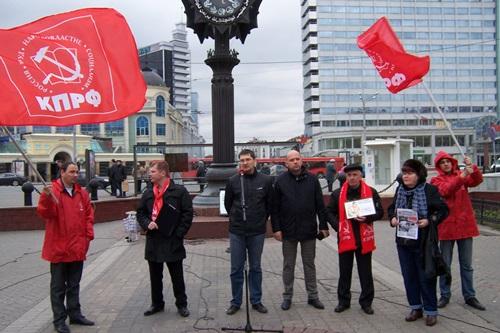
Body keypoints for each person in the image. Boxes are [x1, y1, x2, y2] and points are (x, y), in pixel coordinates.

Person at [388, 159, 449, 327]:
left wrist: (429, 220)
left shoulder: (429, 190)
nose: (406, 176)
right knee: (409, 276)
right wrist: (393, 218)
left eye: (410, 173)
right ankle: (416, 307)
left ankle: (430, 310)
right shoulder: (400, 190)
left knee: (426, 276)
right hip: (404, 241)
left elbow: (443, 210)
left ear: (418, 174)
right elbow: (392, 209)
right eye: (404, 173)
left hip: (424, 241)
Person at [37, 161, 95, 333]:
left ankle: (75, 314)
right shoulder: (53, 191)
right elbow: (45, 213)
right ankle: (59, 320)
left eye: (77, 171)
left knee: (74, 284)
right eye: (72, 172)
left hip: (77, 247)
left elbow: (88, 216)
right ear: (62, 172)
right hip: (59, 248)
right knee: (58, 287)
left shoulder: (81, 193)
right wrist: (46, 198)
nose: (76, 175)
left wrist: (87, 238)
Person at [271, 150, 330, 311]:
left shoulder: (312, 180)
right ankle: (287, 297)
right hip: (288, 231)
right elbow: (274, 208)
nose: (295, 162)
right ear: (286, 164)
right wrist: (276, 229)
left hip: (308, 230)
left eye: (298, 159)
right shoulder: (280, 181)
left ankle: (313, 296)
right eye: (292, 160)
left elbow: (320, 205)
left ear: (302, 161)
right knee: (288, 265)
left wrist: (323, 226)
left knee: (309, 264)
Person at [137, 160, 193, 318]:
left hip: (172, 239)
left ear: (163, 173)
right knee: (155, 276)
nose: (150, 174)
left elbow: (187, 214)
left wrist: (179, 233)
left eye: (153, 171)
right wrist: (147, 223)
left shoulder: (179, 191)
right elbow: (140, 213)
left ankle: (182, 304)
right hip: (154, 239)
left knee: (177, 275)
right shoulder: (148, 192)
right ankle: (157, 304)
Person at [430, 152, 485, 310]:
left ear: (452, 163)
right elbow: (446, 190)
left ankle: (470, 296)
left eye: (448, 161)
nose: (446, 164)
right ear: (439, 166)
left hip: (465, 226)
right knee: (445, 264)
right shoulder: (436, 180)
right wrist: (462, 175)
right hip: (447, 227)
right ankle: (445, 295)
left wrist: (472, 167)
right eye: (442, 162)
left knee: (466, 265)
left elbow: (476, 181)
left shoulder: (461, 176)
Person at [326, 164, 384, 315]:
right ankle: (343, 301)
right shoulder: (338, 193)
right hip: (345, 237)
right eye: (349, 175)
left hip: (364, 238)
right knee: (344, 271)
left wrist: (368, 217)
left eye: (355, 175)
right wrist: (338, 226)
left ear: (360, 176)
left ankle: (366, 302)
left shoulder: (371, 192)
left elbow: (380, 212)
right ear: (346, 176)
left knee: (365, 272)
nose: (352, 178)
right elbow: (329, 212)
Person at [224, 149, 274, 315]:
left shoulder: (266, 180)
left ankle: (256, 300)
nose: (244, 163)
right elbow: (228, 204)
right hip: (237, 231)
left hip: (257, 231)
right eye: (241, 160)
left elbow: (269, 204)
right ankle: (236, 302)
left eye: (247, 159)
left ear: (254, 161)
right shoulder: (233, 181)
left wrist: (261, 219)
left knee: (255, 267)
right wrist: (237, 217)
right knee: (236, 268)